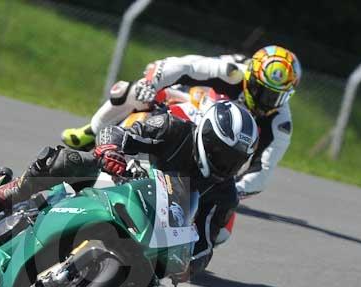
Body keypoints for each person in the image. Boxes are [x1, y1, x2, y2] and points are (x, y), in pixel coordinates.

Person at [0, 100, 258, 282]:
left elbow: (205, 244)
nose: (226, 164)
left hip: (152, 230)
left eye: (235, 160)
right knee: (67, 161)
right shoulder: (172, 128)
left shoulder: (225, 194)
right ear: (206, 136)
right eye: (222, 153)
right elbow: (117, 133)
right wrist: (111, 150)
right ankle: (13, 192)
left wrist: (189, 265)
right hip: (118, 181)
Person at [62, 45, 301, 209]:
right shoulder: (231, 72)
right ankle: (93, 131)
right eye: (264, 92)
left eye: (277, 97)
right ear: (251, 78)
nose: (267, 102)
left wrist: (232, 190)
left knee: (221, 231)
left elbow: (263, 171)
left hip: (219, 143)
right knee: (131, 90)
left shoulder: (281, 122)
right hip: (191, 103)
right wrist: (151, 84)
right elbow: (183, 66)